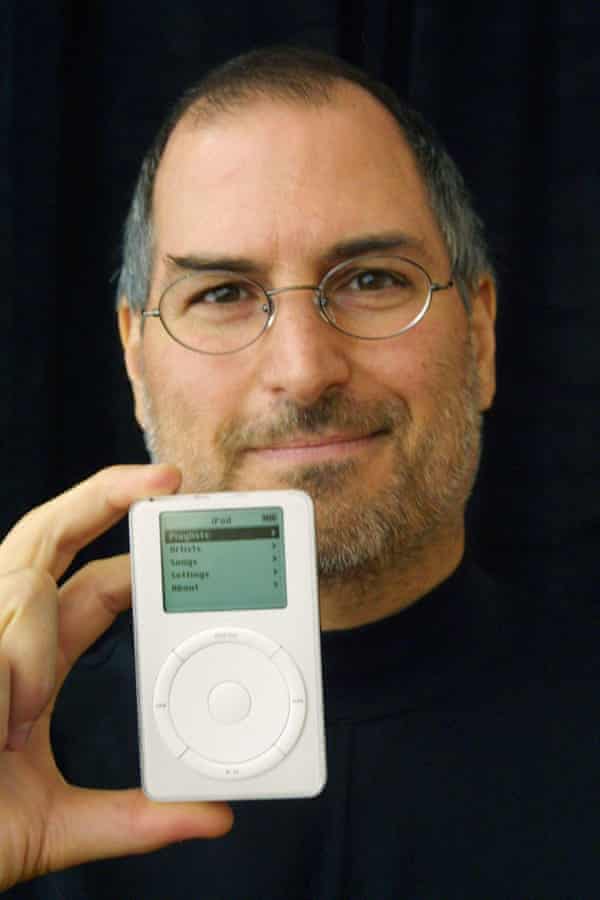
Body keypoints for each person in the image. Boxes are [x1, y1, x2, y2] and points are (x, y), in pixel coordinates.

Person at [1, 47, 597, 899]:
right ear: (135, 361)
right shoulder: (26, 754)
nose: (305, 370)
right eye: (222, 293)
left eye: (372, 280)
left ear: (481, 335)